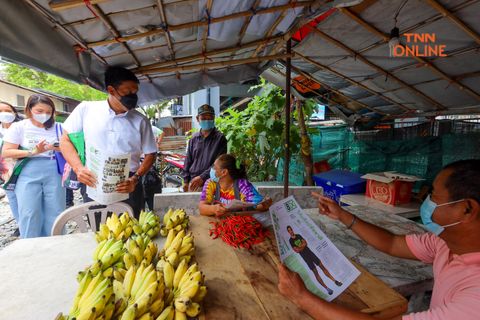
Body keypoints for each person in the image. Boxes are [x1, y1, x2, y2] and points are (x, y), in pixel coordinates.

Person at [278, 159, 480, 320]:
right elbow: (392, 243)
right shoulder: (445, 243)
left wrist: (301, 297)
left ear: (467, 209)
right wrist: (342, 215)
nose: (426, 201)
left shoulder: (475, 299)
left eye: (434, 196)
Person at [60, 67, 157, 218]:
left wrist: (136, 178)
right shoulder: (86, 109)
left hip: (128, 184)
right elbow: (65, 140)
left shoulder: (141, 120)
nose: (132, 96)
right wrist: (78, 168)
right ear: (111, 90)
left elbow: (151, 153)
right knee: (99, 231)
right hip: (94, 181)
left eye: (135, 92)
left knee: (132, 231)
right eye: (127, 92)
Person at [2, 95, 65, 238]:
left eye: (49, 112)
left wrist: (58, 148)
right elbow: (6, 152)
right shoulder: (19, 126)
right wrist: (33, 151)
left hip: (54, 169)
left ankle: (56, 243)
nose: (44, 115)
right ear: (29, 110)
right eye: (39, 111)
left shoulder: (59, 127)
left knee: (56, 209)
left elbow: (72, 148)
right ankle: (30, 245)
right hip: (27, 169)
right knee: (29, 210)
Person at [198, 154, 272, 224]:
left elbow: (258, 205)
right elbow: (202, 208)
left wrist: (265, 204)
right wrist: (213, 209)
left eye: (214, 167)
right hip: (219, 224)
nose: (212, 169)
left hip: (239, 225)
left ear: (224, 172)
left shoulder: (242, 185)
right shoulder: (210, 183)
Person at [183, 104, 227, 192]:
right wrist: (186, 181)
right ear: (197, 119)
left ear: (214, 118)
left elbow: (219, 163)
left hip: (211, 183)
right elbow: (188, 161)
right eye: (203, 118)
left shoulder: (220, 138)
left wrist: (202, 177)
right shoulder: (193, 139)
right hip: (193, 182)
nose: (207, 120)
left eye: (209, 117)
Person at [286, 225, 342, 295]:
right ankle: (327, 289)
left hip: (310, 253)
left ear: (292, 230)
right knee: (316, 273)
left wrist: (300, 247)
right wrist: (302, 246)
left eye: (291, 230)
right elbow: (296, 250)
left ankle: (335, 281)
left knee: (322, 266)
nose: (290, 231)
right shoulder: (290, 241)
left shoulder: (298, 235)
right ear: (288, 232)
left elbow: (305, 243)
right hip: (306, 258)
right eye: (289, 231)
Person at [0, 101, 22, 236]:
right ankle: (21, 224)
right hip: (5, 172)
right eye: (1, 111)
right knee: (13, 198)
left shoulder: (22, 127)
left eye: (8, 110)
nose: (4, 114)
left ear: (14, 112)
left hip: (23, 167)